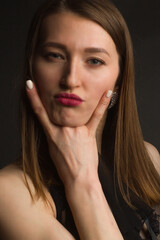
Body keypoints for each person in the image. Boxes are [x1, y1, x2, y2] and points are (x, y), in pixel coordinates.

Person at [0, 0, 160, 239]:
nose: (71, 79)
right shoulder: (9, 192)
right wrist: (81, 181)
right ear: (32, 67)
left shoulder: (148, 158)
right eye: (55, 55)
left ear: (119, 79)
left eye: (94, 60)